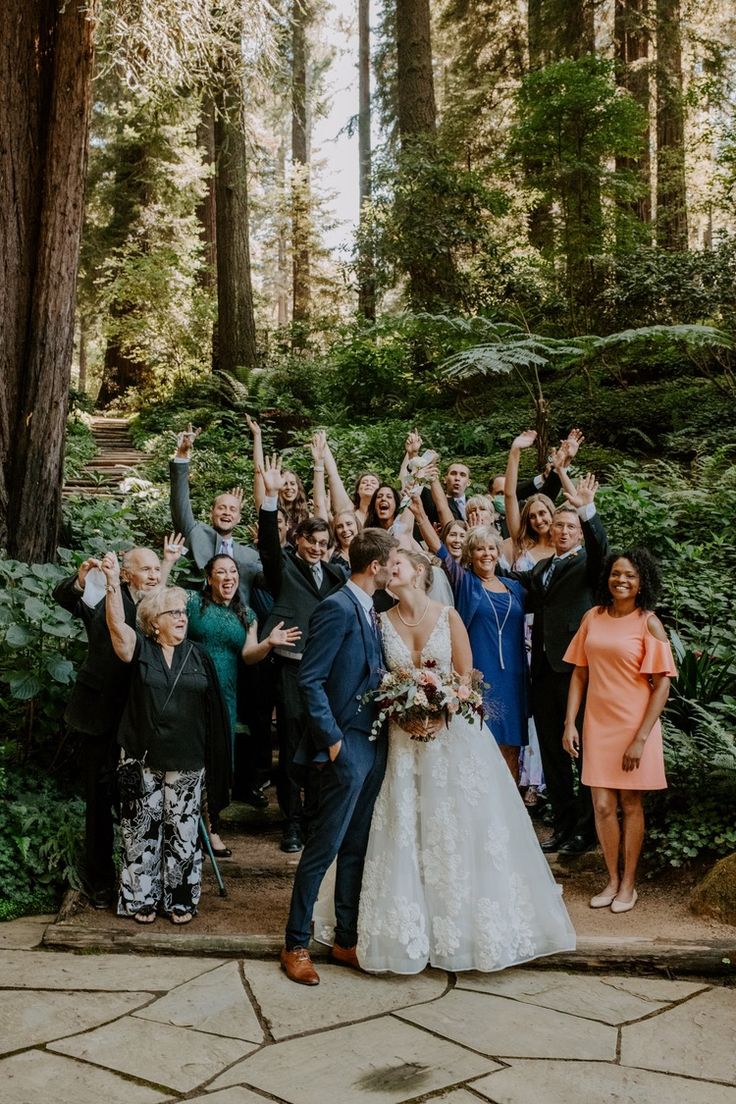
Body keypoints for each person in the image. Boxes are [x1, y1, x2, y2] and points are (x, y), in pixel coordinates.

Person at [325, 549, 576, 974]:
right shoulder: (379, 621)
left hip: (450, 741)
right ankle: (407, 930)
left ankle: (460, 929)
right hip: (401, 743)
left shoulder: (448, 616)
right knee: (404, 826)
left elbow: (467, 676)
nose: (389, 570)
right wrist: (402, 711)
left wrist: (442, 710)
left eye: (397, 565)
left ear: (419, 572)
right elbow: (379, 679)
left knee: (455, 827)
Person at [279, 528, 399, 985]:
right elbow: (309, 679)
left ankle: (346, 939)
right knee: (324, 847)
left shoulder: (370, 608)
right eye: (392, 562)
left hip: (374, 744)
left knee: (356, 847)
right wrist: (332, 743)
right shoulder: (335, 606)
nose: (394, 568)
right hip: (345, 747)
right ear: (376, 567)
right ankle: (295, 944)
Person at [100, 555, 231, 925]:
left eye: (183, 612)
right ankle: (141, 899)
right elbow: (117, 629)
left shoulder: (199, 655)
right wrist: (112, 581)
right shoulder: (140, 649)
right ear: (153, 623)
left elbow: (214, 712)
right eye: (172, 612)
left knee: (184, 833)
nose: (181, 617)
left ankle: (180, 900)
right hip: (142, 758)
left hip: (188, 758)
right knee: (140, 830)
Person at [53, 542, 177, 909]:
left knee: (140, 798)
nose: (155, 575)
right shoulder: (105, 591)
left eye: (158, 569)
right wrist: (79, 579)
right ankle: (99, 880)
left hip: (141, 718)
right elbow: (64, 597)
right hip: (98, 716)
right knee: (99, 798)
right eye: (147, 570)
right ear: (127, 574)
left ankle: (140, 877)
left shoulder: (160, 606)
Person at [563, 550, 675, 913]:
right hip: (597, 723)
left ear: (641, 582)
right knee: (602, 804)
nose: (621, 580)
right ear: (607, 579)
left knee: (630, 803)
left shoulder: (649, 623)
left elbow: (662, 685)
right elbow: (580, 672)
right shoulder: (592, 618)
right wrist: (570, 723)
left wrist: (641, 737)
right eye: (615, 574)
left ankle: (629, 885)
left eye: (629, 575)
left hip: (634, 726)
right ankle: (611, 880)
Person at [513, 475, 609, 856]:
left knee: (582, 751)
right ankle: (563, 826)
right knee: (552, 756)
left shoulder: (590, 564)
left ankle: (586, 832)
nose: (563, 531)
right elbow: (511, 581)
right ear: (550, 532)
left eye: (570, 526)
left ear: (579, 533)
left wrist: (587, 511)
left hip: (578, 673)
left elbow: (603, 548)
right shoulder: (540, 570)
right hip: (543, 673)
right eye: (559, 526)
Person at [258, 455, 349, 853]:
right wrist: (272, 498)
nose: (316, 548)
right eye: (310, 541)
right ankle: (291, 821)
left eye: (322, 544)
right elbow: (265, 542)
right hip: (292, 668)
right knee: (293, 742)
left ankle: (315, 817)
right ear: (298, 541)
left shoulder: (335, 575)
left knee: (320, 742)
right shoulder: (283, 569)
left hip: (328, 672)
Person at [185, 553, 301, 854]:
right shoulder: (191, 604)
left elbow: (249, 655)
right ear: (209, 578)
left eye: (233, 571)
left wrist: (269, 643)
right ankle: (192, 828)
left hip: (226, 692)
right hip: (192, 687)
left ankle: (211, 826)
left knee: (220, 761)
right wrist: (169, 561)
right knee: (192, 757)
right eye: (221, 572)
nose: (228, 577)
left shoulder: (247, 615)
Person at [411, 496, 528, 780]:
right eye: (479, 549)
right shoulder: (466, 583)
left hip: (513, 676)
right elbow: (440, 550)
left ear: (498, 551)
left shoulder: (516, 587)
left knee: (511, 747)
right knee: (478, 744)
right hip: (479, 675)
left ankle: (507, 813)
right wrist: (419, 514)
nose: (486, 554)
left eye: (491, 548)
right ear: (470, 554)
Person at [170, 424, 261, 606]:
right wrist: (182, 455)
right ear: (212, 512)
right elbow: (179, 503)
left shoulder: (250, 555)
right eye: (222, 508)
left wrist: (267, 544)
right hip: (194, 612)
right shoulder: (196, 533)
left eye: (233, 509)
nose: (227, 512)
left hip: (235, 620)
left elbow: (274, 578)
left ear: (239, 518)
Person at [247, 414, 309, 536]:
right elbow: (259, 473)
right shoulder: (268, 508)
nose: (289, 488)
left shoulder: (305, 515)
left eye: (292, 483)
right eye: (285, 484)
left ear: (298, 487)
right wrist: (257, 436)